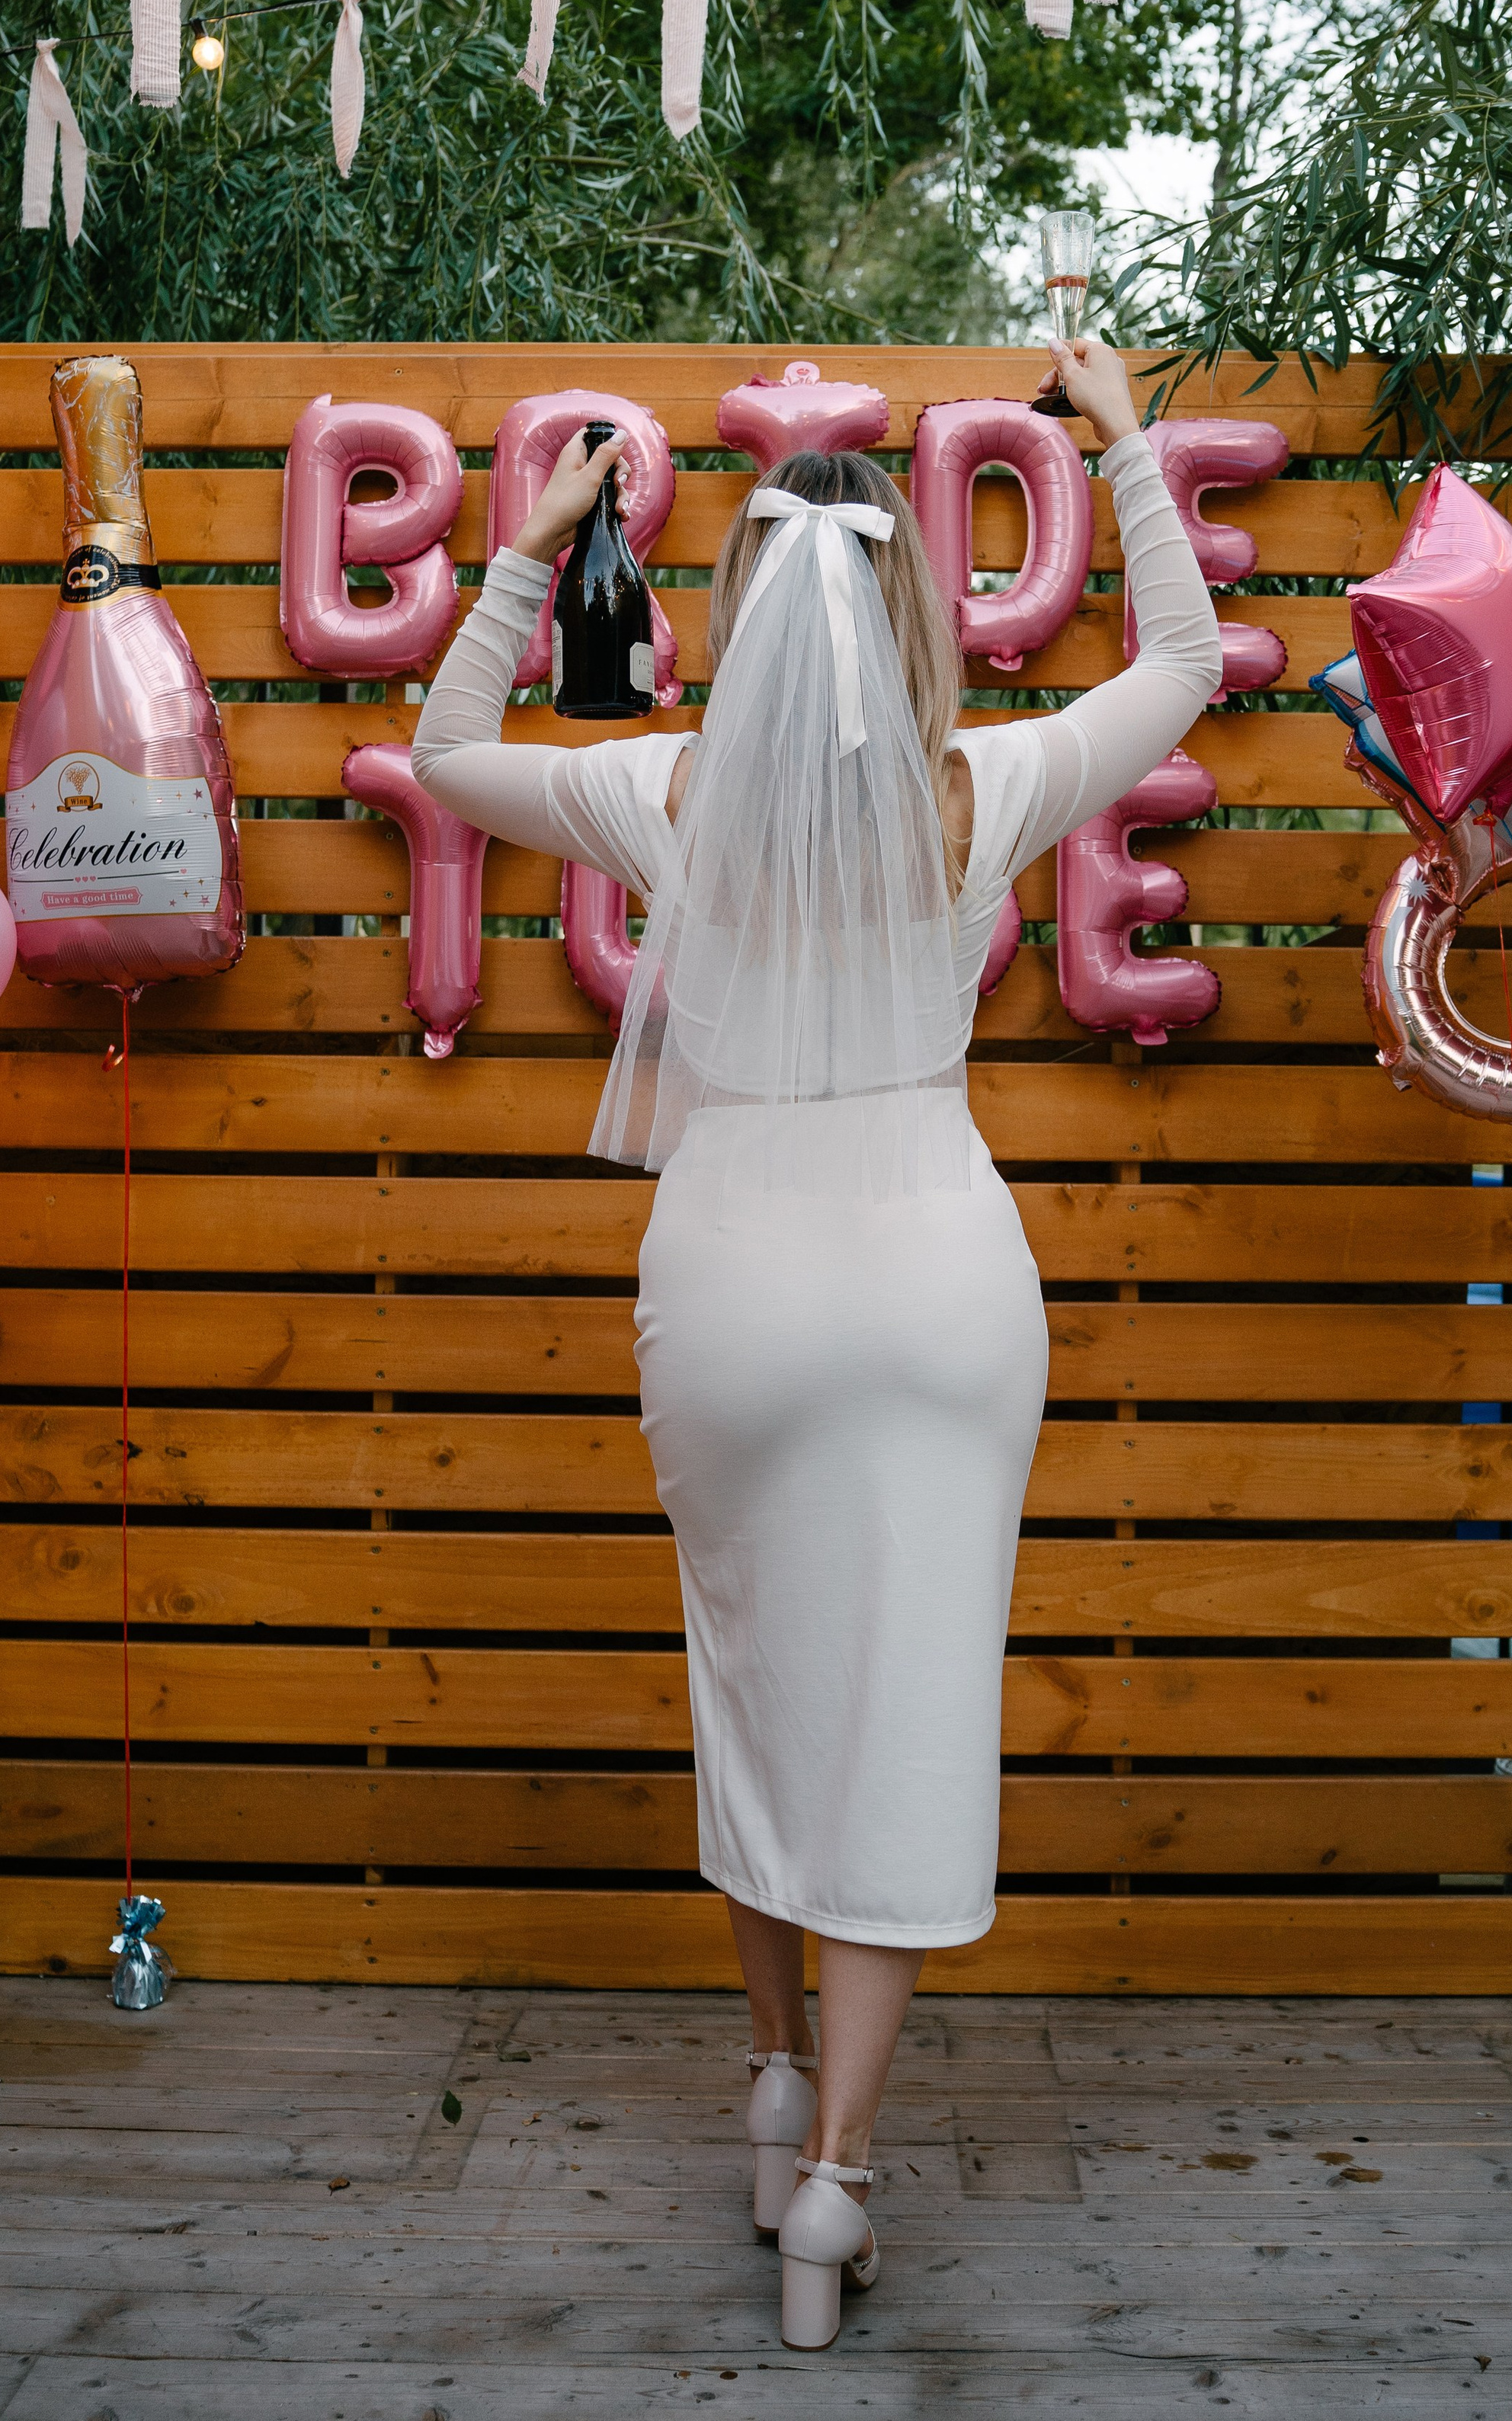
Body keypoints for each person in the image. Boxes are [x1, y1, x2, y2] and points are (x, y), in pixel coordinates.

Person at [412, 337, 1222, 2349]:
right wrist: (1124, 443)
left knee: (758, 1676)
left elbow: (443, 750)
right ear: (907, 614)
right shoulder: (983, 786)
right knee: (905, 1709)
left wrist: (529, 553)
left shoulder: (661, 788)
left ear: (752, 604)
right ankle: (841, 2176)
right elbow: (1188, 665)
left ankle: (772, 2074)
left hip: (735, 1278)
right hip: (941, 1277)